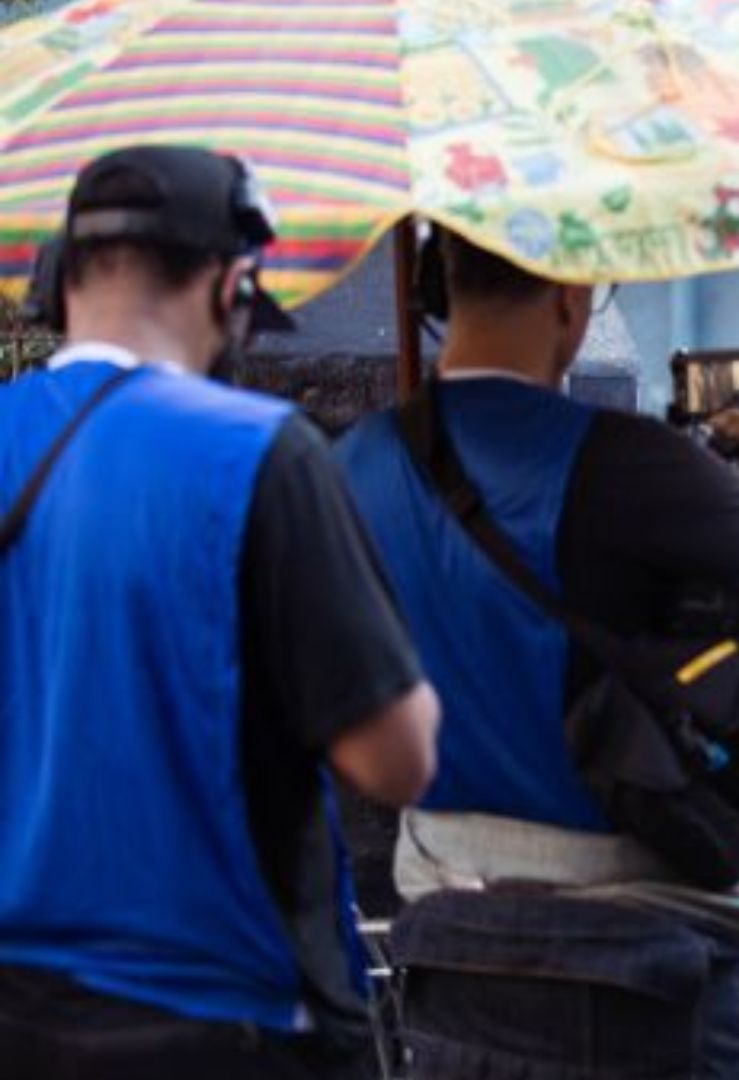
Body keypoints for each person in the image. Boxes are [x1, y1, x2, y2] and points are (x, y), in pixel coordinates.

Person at [333, 229, 739, 1078]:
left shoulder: (351, 463)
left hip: (454, 966)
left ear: (434, 294)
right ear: (571, 299)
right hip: (643, 976)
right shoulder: (623, 457)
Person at [0, 145, 440, 1079]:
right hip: (229, 1012)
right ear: (234, 286)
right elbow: (393, 759)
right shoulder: (256, 452)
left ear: (55, 282)